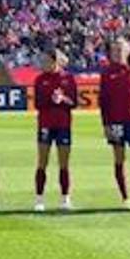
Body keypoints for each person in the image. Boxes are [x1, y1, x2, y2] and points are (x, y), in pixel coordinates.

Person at [99, 37, 130, 209]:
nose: (118, 53)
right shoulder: (106, 74)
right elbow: (103, 102)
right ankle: (126, 199)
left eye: (121, 49)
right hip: (116, 123)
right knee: (120, 160)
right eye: (115, 50)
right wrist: (105, 125)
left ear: (128, 51)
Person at [33, 48, 77, 212]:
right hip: (45, 124)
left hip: (63, 124)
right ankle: (39, 199)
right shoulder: (40, 80)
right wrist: (52, 99)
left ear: (55, 61)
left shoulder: (68, 78)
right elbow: (37, 103)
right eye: (42, 61)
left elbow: (74, 102)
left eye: (46, 61)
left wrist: (63, 99)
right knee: (42, 162)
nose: (43, 64)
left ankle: (65, 199)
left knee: (64, 164)